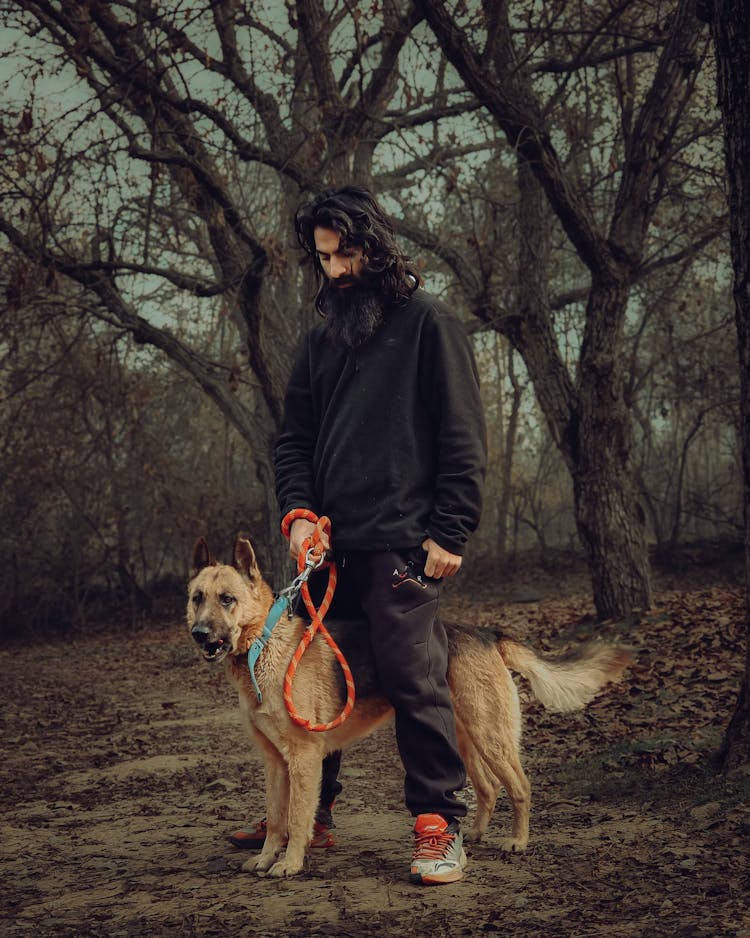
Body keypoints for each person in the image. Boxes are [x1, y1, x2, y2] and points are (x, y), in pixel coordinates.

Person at [232, 185, 486, 885]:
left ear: (376, 245)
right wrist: (301, 515)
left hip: (404, 546)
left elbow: (463, 435)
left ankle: (439, 825)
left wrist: (451, 529)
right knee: (302, 681)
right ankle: (307, 816)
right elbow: (294, 444)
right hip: (326, 551)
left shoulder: (431, 325)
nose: (338, 271)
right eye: (324, 258)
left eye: (347, 253)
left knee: (414, 678)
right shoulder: (320, 342)